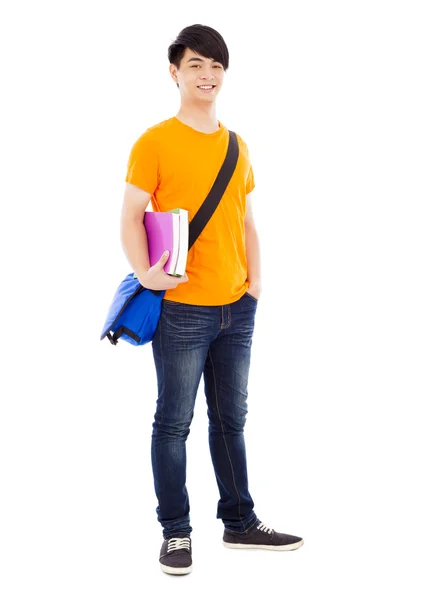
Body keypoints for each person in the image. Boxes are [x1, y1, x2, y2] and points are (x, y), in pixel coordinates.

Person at [120, 24, 303, 576]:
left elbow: (246, 220)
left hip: (237, 306)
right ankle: (176, 533)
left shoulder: (237, 145)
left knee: (231, 421)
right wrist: (145, 276)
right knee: (173, 423)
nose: (207, 75)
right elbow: (129, 216)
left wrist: (256, 283)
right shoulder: (154, 141)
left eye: (216, 66)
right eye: (196, 64)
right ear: (174, 71)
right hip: (182, 309)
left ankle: (240, 522)